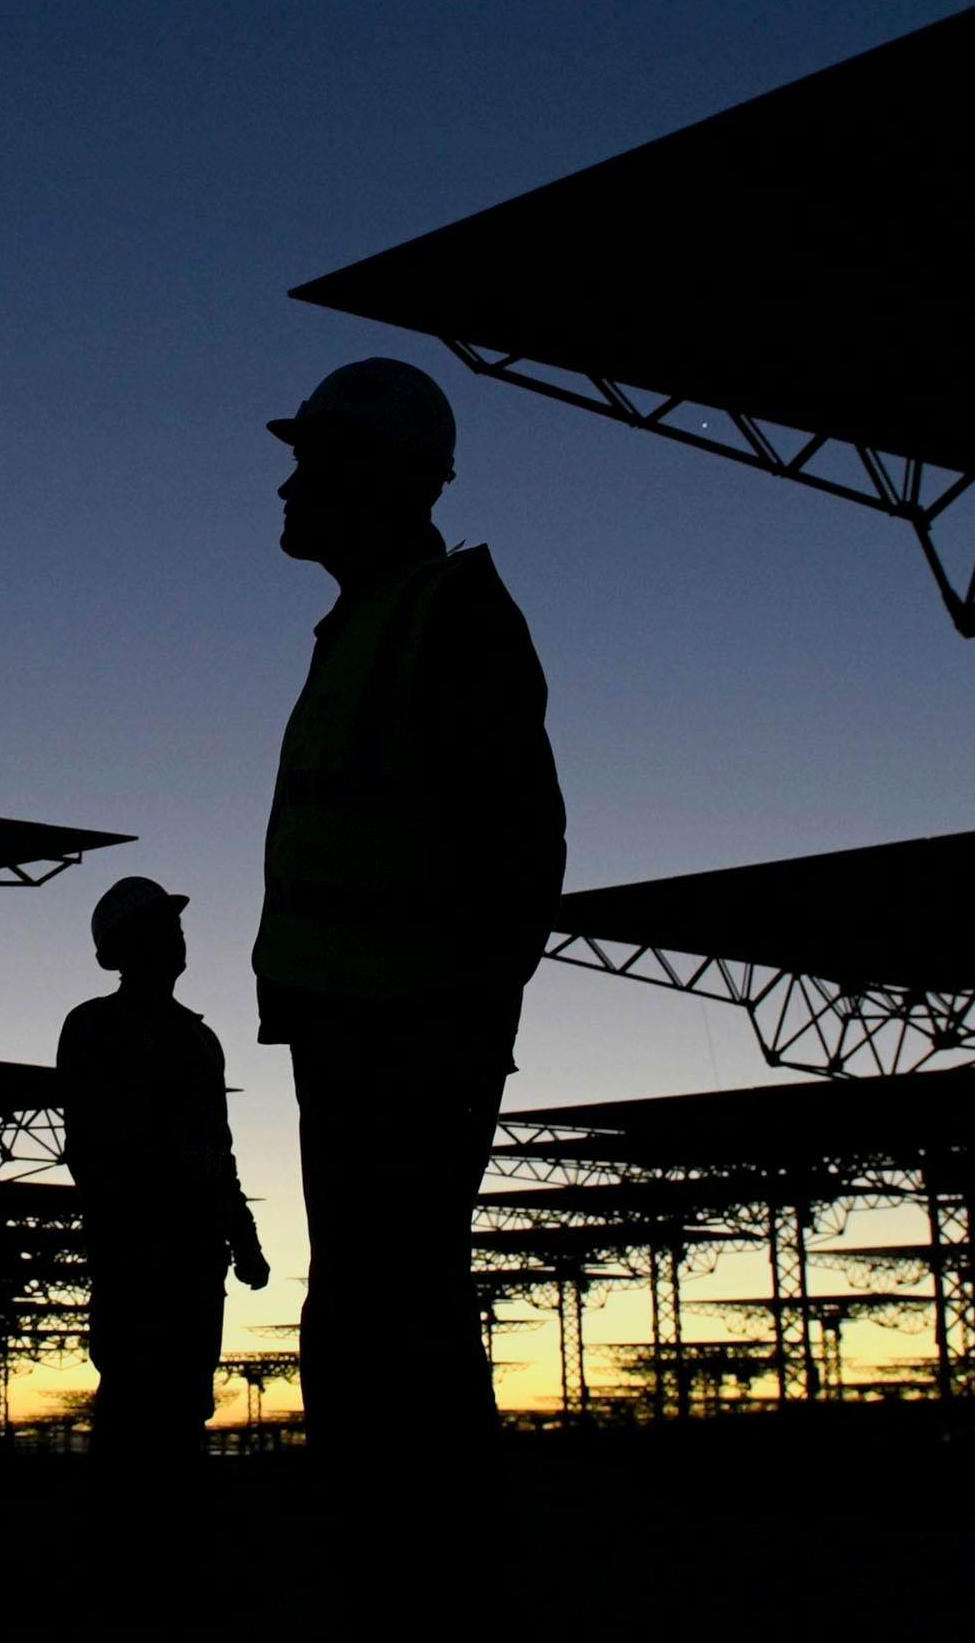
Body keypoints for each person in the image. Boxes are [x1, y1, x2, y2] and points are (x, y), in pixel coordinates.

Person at [253, 357, 564, 1459]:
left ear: (384, 477)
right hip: (351, 1029)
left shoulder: (448, 614)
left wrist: (456, 1024)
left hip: (408, 1038)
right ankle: (399, 1535)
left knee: (390, 1319)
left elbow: (520, 849)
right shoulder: (367, 622)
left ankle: (425, 1545)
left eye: (312, 462)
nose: (288, 486)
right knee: (368, 1311)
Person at [56, 874, 269, 1456]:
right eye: (160, 927)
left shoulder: (199, 1039)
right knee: (135, 1399)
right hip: (137, 1255)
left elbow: (218, 1151)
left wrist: (242, 1237)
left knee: (184, 1404)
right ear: (124, 946)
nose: (176, 938)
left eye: (176, 928)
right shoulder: (96, 1027)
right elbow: (92, 1147)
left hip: (194, 1256)